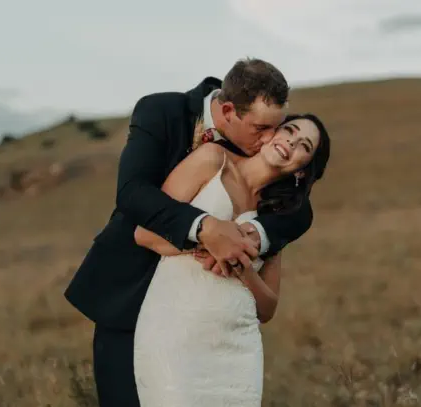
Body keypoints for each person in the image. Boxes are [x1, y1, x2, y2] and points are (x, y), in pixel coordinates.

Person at [64, 58, 315, 407]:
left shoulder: (267, 155)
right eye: (261, 128)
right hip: (132, 292)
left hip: (204, 324)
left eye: (278, 127)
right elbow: (133, 193)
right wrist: (205, 228)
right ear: (228, 111)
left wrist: (254, 234)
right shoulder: (162, 111)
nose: (271, 138)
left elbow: (299, 211)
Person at [133, 113, 330, 406]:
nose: (292, 142)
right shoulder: (212, 160)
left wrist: (243, 267)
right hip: (175, 336)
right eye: (290, 130)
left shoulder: (277, 217)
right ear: (271, 133)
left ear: (302, 170)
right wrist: (211, 243)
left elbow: (267, 309)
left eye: (304, 145)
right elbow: (144, 234)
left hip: (238, 352)